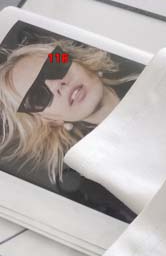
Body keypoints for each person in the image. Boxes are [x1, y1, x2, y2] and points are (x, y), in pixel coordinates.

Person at [0, 38, 139, 185]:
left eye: (55, 66)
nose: (57, 85)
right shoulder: (100, 173)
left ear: (78, 61)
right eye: (38, 96)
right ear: (51, 120)